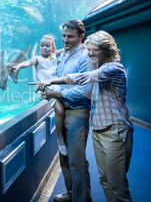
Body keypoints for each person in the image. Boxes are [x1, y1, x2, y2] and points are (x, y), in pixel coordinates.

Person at [31, 30, 134, 202]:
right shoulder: (99, 66)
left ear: (107, 50)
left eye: (96, 49)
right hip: (99, 131)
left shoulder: (113, 67)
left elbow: (84, 77)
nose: (91, 53)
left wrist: (51, 82)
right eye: (90, 49)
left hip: (115, 131)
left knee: (118, 187)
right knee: (105, 181)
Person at [38, 19, 93, 202]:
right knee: (64, 158)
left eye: (70, 36)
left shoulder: (86, 57)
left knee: (77, 161)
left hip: (77, 113)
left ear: (81, 37)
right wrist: (48, 87)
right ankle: (71, 194)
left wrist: (55, 92)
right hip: (63, 110)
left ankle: (82, 199)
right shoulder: (62, 55)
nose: (66, 40)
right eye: (63, 36)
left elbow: (83, 92)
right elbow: (55, 76)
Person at [10, 35, 68, 156]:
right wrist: (19, 66)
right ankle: (60, 140)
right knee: (60, 110)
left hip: (59, 87)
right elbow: (27, 62)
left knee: (68, 108)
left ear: (53, 48)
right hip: (47, 90)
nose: (44, 48)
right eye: (42, 45)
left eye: (47, 46)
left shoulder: (54, 55)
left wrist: (78, 46)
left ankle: (65, 134)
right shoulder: (37, 59)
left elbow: (65, 49)